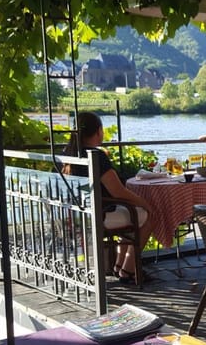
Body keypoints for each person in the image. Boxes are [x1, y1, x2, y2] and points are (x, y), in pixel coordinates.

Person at [65, 112, 155, 284]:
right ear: (99, 131)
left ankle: (120, 266)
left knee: (133, 214)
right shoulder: (95, 156)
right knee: (149, 216)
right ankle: (129, 270)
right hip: (100, 215)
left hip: (79, 214)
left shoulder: (68, 154)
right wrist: (145, 204)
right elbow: (118, 192)